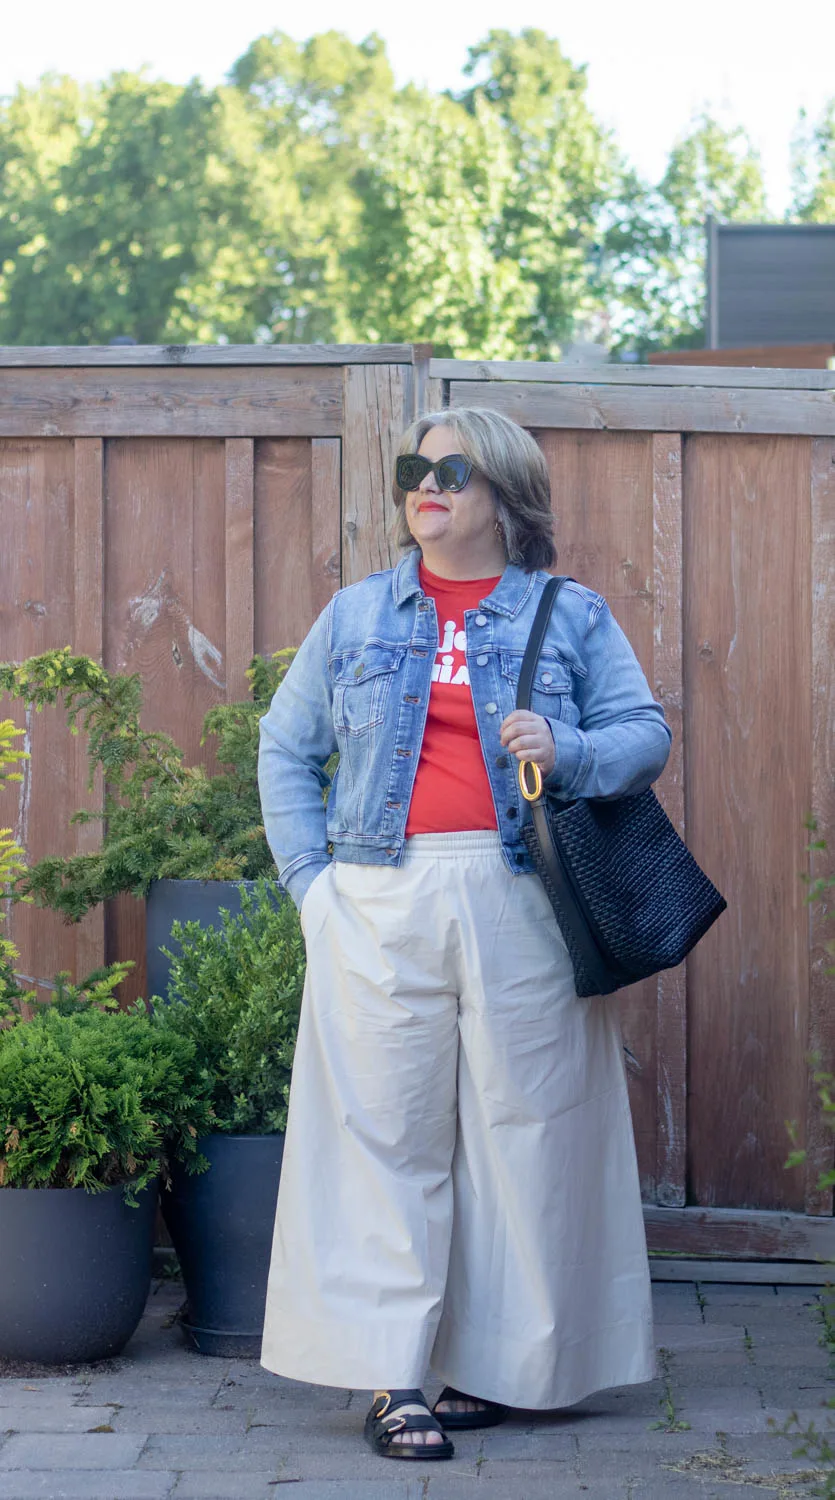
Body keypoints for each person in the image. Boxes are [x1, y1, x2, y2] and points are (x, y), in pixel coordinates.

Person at [257, 407, 672, 1461]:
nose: (426, 487)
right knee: (385, 1134)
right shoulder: (354, 616)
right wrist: (313, 887)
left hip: (522, 898)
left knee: (523, 1131)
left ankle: (500, 1369)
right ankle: (393, 1378)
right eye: (415, 470)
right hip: (378, 898)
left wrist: (566, 747)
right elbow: (284, 747)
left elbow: (644, 736)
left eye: (452, 471)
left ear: (503, 493)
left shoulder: (567, 615)